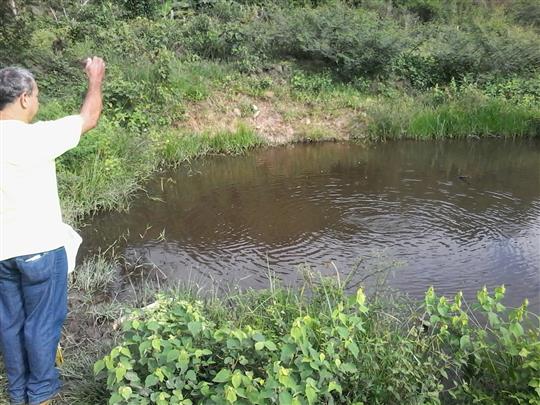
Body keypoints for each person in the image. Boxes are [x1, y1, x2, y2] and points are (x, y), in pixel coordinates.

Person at [0, 57, 105, 405]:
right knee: (41, 325)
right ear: (25, 98)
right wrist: (94, 79)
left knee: (11, 326)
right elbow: (89, 117)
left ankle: (18, 395)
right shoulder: (34, 138)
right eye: (37, 96)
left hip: (2, 255)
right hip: (40, 251)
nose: (38, 103)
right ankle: (41, 395)